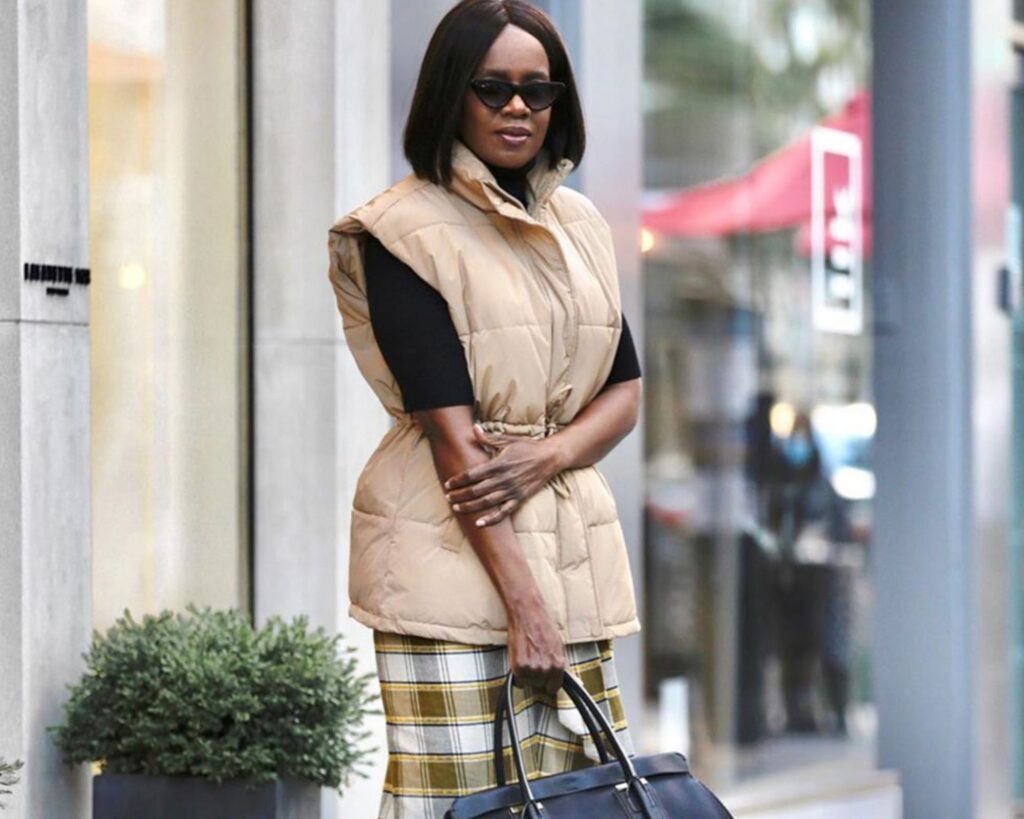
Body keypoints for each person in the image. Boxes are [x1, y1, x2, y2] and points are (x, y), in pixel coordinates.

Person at [327, 2, 642, 816]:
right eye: (493, 88)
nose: (517, 108)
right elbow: (455, 442)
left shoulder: (579, 223)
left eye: (538, 90)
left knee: (584, 801)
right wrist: (525, 607)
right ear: (451, 94)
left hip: (573, 555)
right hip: (449, 563)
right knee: (459, 804)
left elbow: (625, 392)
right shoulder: (399, 229)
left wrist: (549, 453)